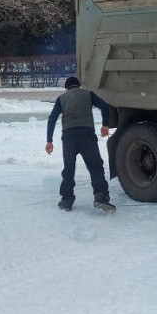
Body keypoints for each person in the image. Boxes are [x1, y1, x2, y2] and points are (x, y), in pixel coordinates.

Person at [45, 76, 114, 212]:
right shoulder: (88, 94)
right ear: (79, 86)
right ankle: (100, 196)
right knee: (95, 167)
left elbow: (52, 118)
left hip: (69, 137)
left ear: (66, 88)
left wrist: (49, 141)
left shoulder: (62, 98)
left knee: (69, 169)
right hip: (86, 135)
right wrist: (105, 125)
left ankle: (66, 200)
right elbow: (105, 106)